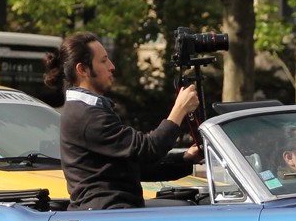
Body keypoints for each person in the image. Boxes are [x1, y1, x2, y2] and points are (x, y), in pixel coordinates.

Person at [44, 32, 201, 210]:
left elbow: (134, 166)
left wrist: (185, 158)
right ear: (83, 70)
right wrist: (179, 110)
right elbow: (148, 149)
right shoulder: (85, 116)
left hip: (113, 215)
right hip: (106, 219)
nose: (112, 66)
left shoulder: (89, 110)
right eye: (103, 61)